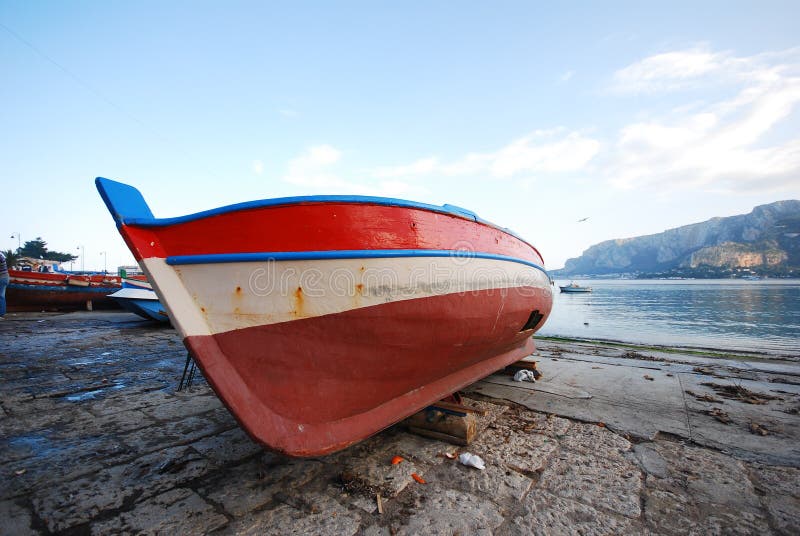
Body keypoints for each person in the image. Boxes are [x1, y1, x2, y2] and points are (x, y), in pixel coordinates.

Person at [0, 251, 8, 319]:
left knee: (1, 296)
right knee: (2, 296)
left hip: (1, 278)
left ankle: (1, 314)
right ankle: (1, 313)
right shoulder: (1, 255)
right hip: (5, 277)